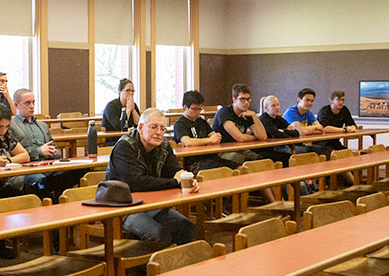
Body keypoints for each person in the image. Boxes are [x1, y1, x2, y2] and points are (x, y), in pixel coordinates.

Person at [105, 109, 197, 246]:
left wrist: (187, 181)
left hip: (150, 204)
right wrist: (174, 182)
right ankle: (150, 267)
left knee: (186, 227)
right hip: (121, 208)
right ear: (141, 127)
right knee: (159, 234)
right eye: (154, 127)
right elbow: (136, 183)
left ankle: (181, 266)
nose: (159, 133)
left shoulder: (164, 145)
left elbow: (175, 171)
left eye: (162, 129)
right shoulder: (125, 147)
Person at [211, 83, 281, 166]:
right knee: (247, 162)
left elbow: (263, 137)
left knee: (263, 161)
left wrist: (254, 116)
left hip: (241, 149)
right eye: (242, 99)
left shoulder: (247, 114)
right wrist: (255, 137)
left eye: (248, 99)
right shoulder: (224, 112)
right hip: (223, 151)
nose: (246, 103)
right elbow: (240, 138)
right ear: (234, 99)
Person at [173, 90, 237, 173]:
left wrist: (211, 139)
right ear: (185, 107)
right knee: (226, 171)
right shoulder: (180, 124)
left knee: (237, 166)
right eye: (195, 109)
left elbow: (216, 136)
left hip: (210, 157)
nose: (198, 112)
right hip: (194, 163)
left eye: (200, 109)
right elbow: (188, 142)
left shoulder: (201, 121)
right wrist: (209, 140)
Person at [285, 88, 344, 157]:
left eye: (312, 101)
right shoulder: (291, 112)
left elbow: (321, 129)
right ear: (299, 100)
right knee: (316, 154)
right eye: (307, 100)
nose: (310, 103)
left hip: (301, 144)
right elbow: (302, 132)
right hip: (288, 147)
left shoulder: (308, 113)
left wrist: (306, 129)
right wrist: (312, 128)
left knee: (327, 151)